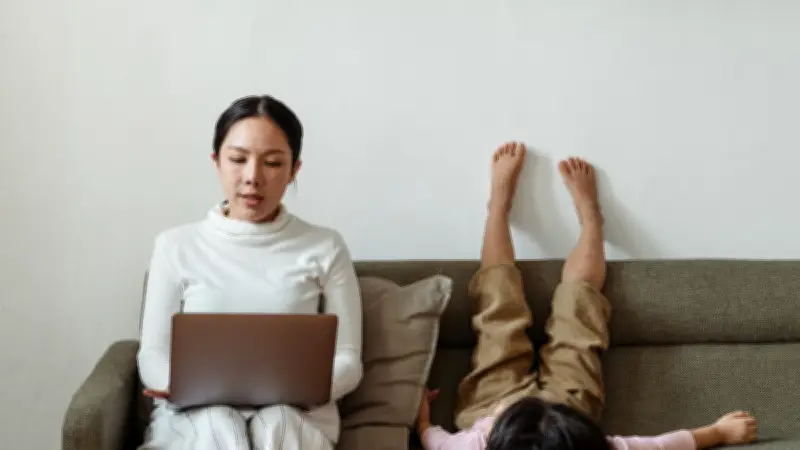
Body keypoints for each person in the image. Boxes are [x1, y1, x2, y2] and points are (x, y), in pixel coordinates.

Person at [415, 142, 758, 450]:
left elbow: (435, 441)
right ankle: (592, 220)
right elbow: (658, 445)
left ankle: (498, 208)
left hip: (491, 405)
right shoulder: (590, 447)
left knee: (496, 313)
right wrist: (717, 433)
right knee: (579, 320)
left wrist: (423, 420)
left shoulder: (473, 445)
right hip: (567, 410)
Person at [136, 95, 363, 450]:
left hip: (296, 416)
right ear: (216, 161)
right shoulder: (174, 246)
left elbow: (348, 359)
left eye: (272, 163)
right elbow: (152, 353)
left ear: (294, 169)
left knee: (278, 423)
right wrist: (186, 387)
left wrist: (296, 390)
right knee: (218, 424)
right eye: (238, 160)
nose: (252, 177)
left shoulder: (326, 246)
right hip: (197, 417)